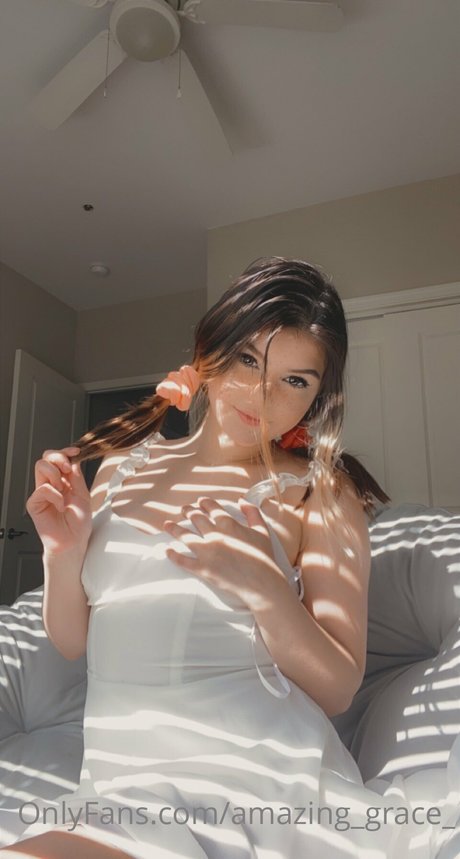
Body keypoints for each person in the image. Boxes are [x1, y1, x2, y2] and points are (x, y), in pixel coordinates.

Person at [4, 256, 458, 859]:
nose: (262, 394)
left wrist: (265, 590)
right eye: (248, 360)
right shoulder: (122, 467)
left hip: (253, 784)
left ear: (318, 397)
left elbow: (338, 687)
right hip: (120, 782)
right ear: (209, 350)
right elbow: (73, 642)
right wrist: (62, 554)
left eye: (295, 381)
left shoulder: (318, 491)